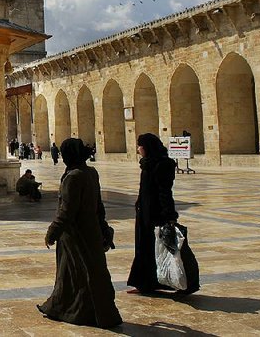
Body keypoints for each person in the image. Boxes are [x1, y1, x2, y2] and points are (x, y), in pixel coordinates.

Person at [38, 138, 122, 328]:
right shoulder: (91, 172)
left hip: (75, 235)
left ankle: (73, 310)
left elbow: (67, 211)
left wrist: (52, 232)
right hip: (91, 230)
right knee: (91, 271)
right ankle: (99, 312)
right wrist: (102, 226)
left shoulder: (73, 177)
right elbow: (99, 206)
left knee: (74, 272)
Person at [127, 133, 179, 293]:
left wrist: (170, 216)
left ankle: (151, 282)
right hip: (144, 213)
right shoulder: (148, 164)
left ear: (147, 147)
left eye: (140, 145)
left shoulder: (161, 165)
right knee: (145, 247)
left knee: (155, 248)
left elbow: (165, 192)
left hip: (156, 214)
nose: (138, 149)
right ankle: (145, 282)